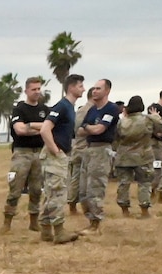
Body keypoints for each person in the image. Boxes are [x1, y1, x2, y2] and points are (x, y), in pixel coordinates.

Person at [37, 73, 86, 245]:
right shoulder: (63, 106)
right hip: (55, 156)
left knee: (51, 192)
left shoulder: (70, 108)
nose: (83, 89)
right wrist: (56, 151)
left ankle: (45, 229)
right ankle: (58, 231)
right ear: (71, 87)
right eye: (80, 86)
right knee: (57, 192)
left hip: (60, 153)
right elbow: (45, 129)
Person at [3, 76, 49, 233]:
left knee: (37, 189)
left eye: (38, 89)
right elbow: (20, 130)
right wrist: (39, 128)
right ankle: (7, 222)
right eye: (33, 89)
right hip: (22, 153)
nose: (37, 92)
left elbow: (50, 129)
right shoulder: (20, 109)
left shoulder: (44, 109)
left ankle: (34, 221)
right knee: (15, 189)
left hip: (40, 153)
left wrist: (31, 126)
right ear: (26, 91)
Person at [75, 78, 119, 234]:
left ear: (107, 91)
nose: (94, 91)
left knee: (95, 188)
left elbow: (99, 130)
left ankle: (96, 224)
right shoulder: (92, 110)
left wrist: (87, 127)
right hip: (89, 149)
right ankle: (90, 220)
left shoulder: (111, 109)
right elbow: (79, 131)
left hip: (102, 150)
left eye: (98, 88)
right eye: (93, 88)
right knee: (83, 190)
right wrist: (88, 128)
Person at [114, 96, 162, 218]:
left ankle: (125, 211)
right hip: (143, 156)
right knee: (144, 183)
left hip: (123, 157)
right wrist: (156, 116)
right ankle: (144, 211)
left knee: (123, 184)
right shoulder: (147, 119)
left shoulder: (122, 122)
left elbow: (115, 138)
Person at [67, 86, 95, 215]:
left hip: (77, 148)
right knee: (86, 181)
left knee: (75, 179)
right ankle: (86, 207)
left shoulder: (79, 111)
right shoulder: (92, 111)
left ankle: (72, 205)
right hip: (86, 148)